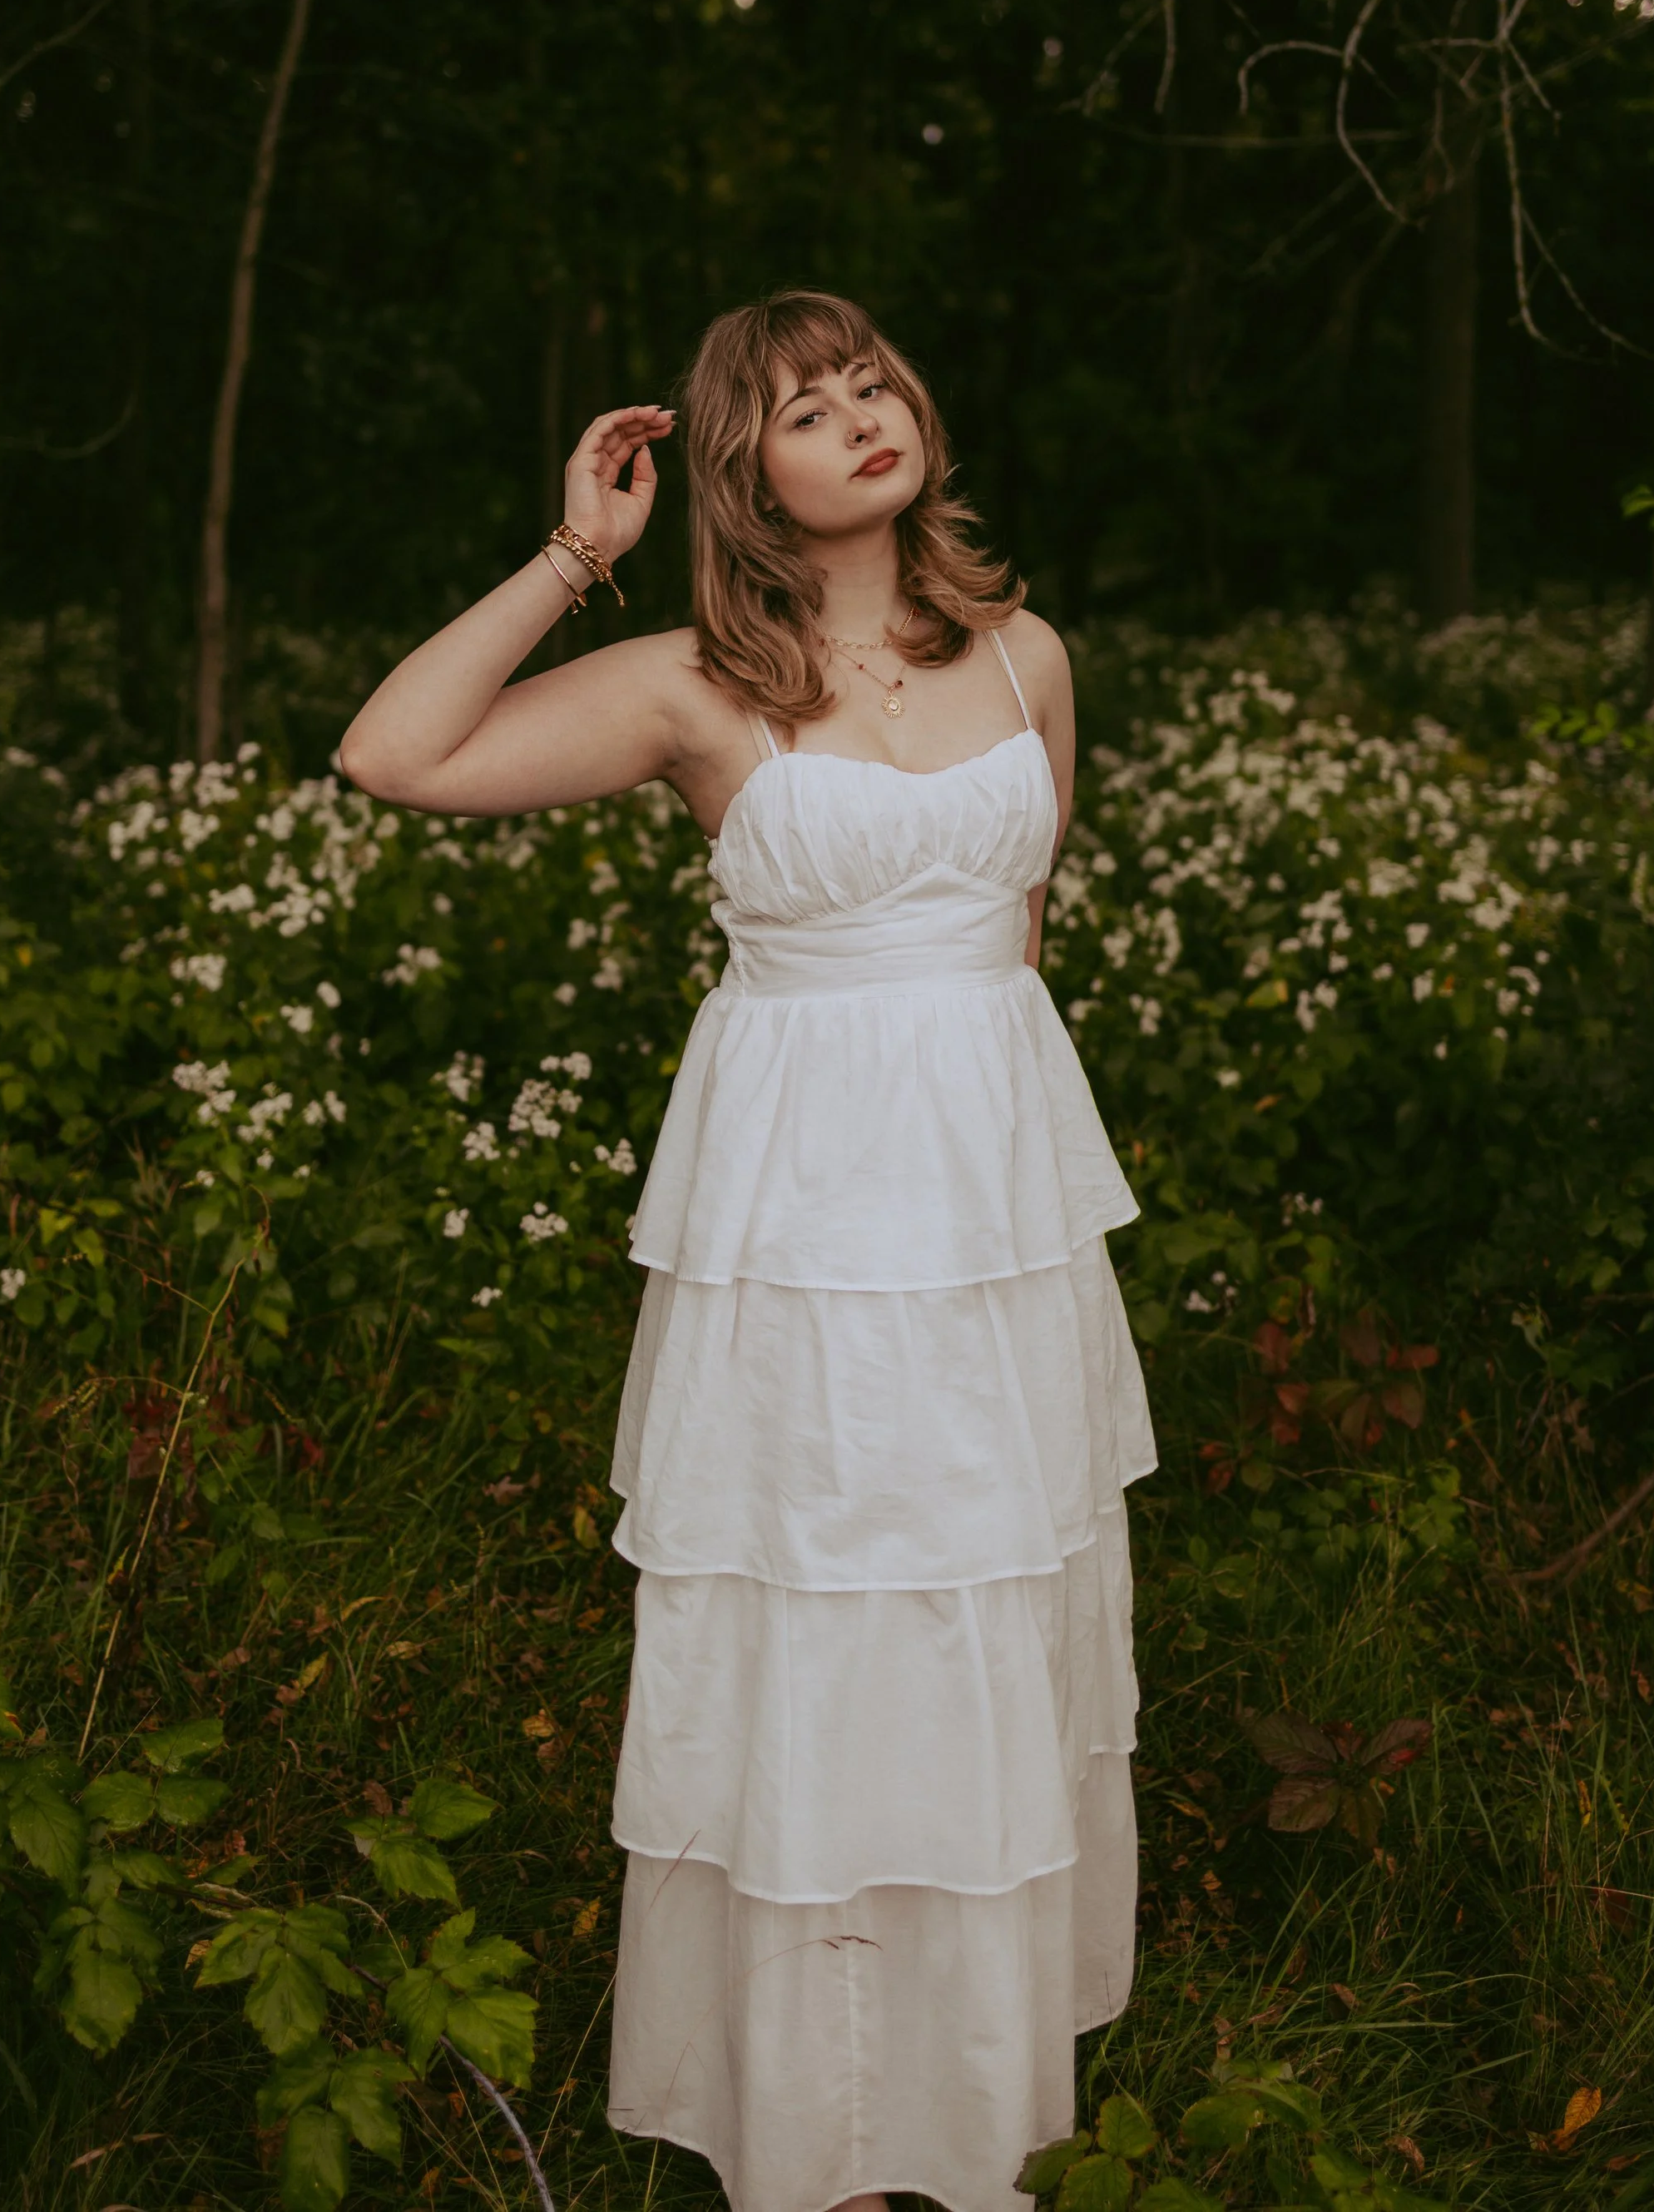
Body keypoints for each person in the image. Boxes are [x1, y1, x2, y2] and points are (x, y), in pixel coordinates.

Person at [339, 288, 1155, 2212]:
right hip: (799, 1255)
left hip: (992, 1247)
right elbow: (393, 755)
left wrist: (1006, 1238)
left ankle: (963, 2120)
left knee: (980, 1631)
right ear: (742, 472)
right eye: (805, 406)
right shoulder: (694, 688)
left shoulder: (1028, 657)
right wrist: (570, 560)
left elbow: (1012, 949)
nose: (862, 414)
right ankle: (822, 2147)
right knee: (817, 1644)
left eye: (874, 381)